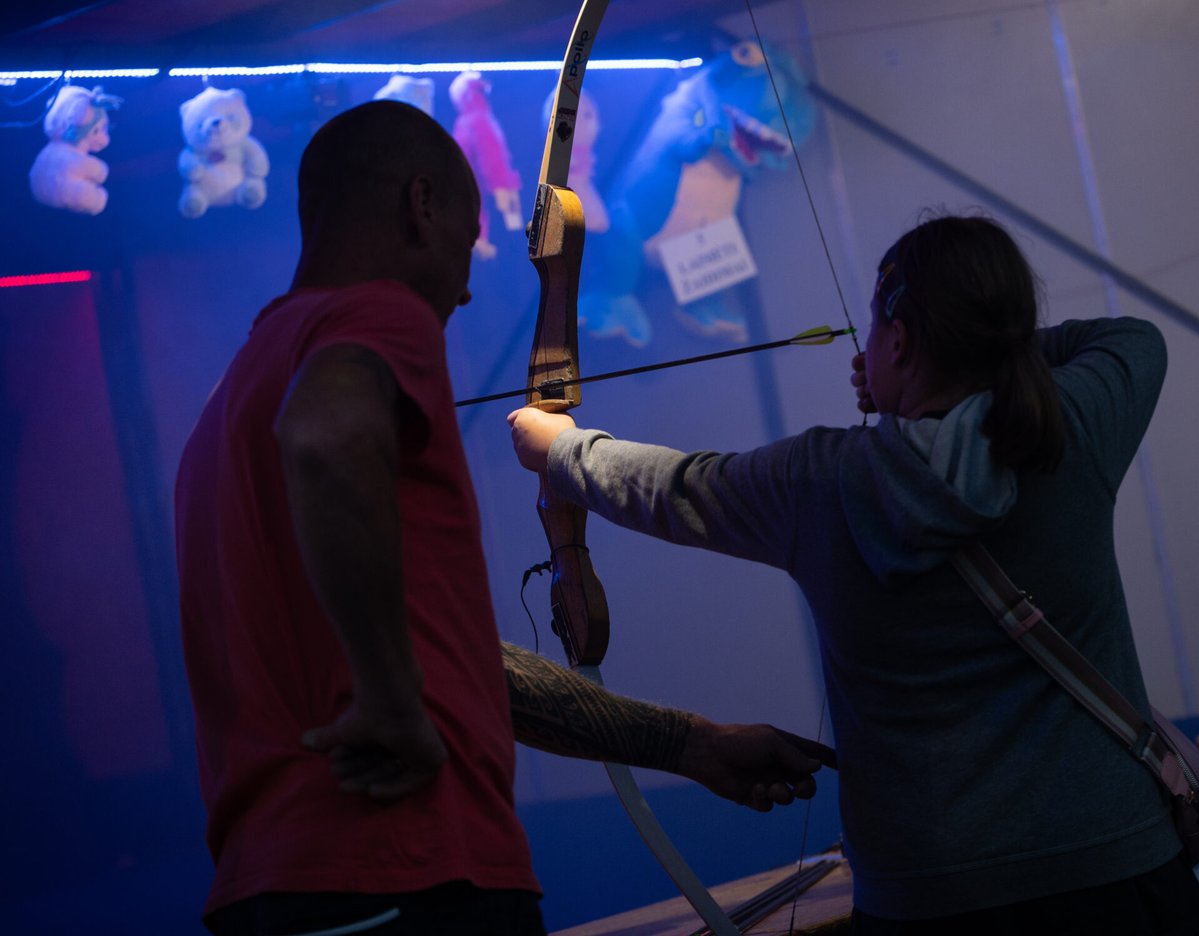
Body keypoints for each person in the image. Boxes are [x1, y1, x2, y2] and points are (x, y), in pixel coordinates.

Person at [174, 100, 830, 936]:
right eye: (467, 236)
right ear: (421, 204)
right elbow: (327, 434)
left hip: (277, 888)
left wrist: (690, 745)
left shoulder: (226, 404)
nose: (467, 285)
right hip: (409, 864)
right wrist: (390, 700)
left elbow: (454, 660)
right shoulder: (374, 314)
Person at [509, 214, 1199, 934]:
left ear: (900, 340)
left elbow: (676, 488)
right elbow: (1131, 339)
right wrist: (976, 355)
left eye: (879, 333)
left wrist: (561, 449)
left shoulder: (820, 482)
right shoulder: (1072, 427)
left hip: (930, 901)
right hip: (1125, 878)